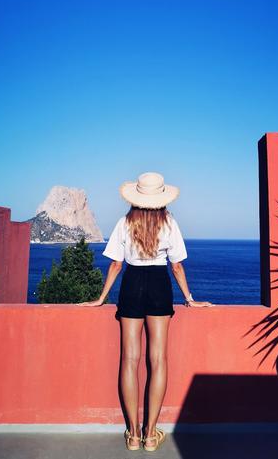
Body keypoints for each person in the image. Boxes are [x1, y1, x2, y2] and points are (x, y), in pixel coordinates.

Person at [77, 171, 213, 451]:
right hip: (159, 284)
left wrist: (101, 298)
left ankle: (133, 435)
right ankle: (151, 435)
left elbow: (115, 264)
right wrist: (189, 298)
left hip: (132, 283)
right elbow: (176, 265)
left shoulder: (124, 222)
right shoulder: (170, 223)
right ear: (161, 198)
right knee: (159, 359)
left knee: (129, 359)